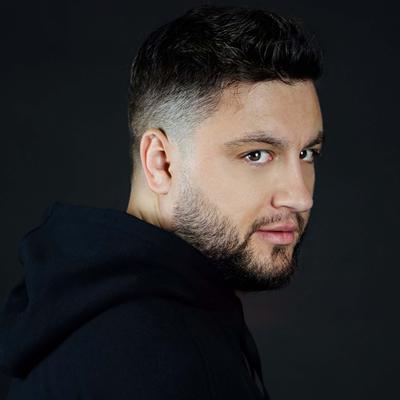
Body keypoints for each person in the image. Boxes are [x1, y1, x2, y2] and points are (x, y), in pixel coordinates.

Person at [0, 4, 324, 399]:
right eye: (256, 154)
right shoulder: (156, 360)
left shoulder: (97, 313)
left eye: (307, 153)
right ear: (161, 162)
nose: (300, 196)